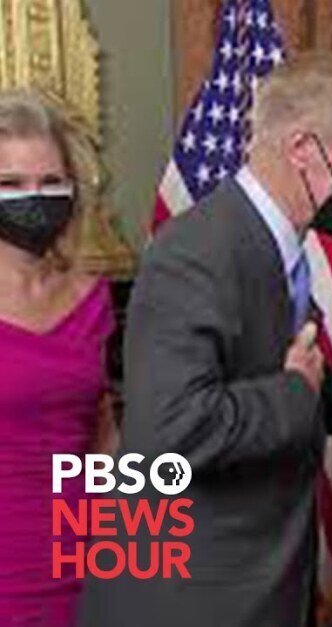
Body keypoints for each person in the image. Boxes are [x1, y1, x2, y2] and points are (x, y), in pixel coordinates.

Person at [78, 51, 332, 627]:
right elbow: (173, 431)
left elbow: (298, 365)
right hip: (194, 595)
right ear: (302, 148)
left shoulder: (274, 241)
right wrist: (292, 393)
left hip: (258, 580)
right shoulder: (196, 252)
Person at [0, 89, 116, 626]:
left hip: (85, 567)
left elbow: (103, 440)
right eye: (11, 184)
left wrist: (133, 559)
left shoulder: (92, 297)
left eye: (50, 181)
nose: (34, 197)